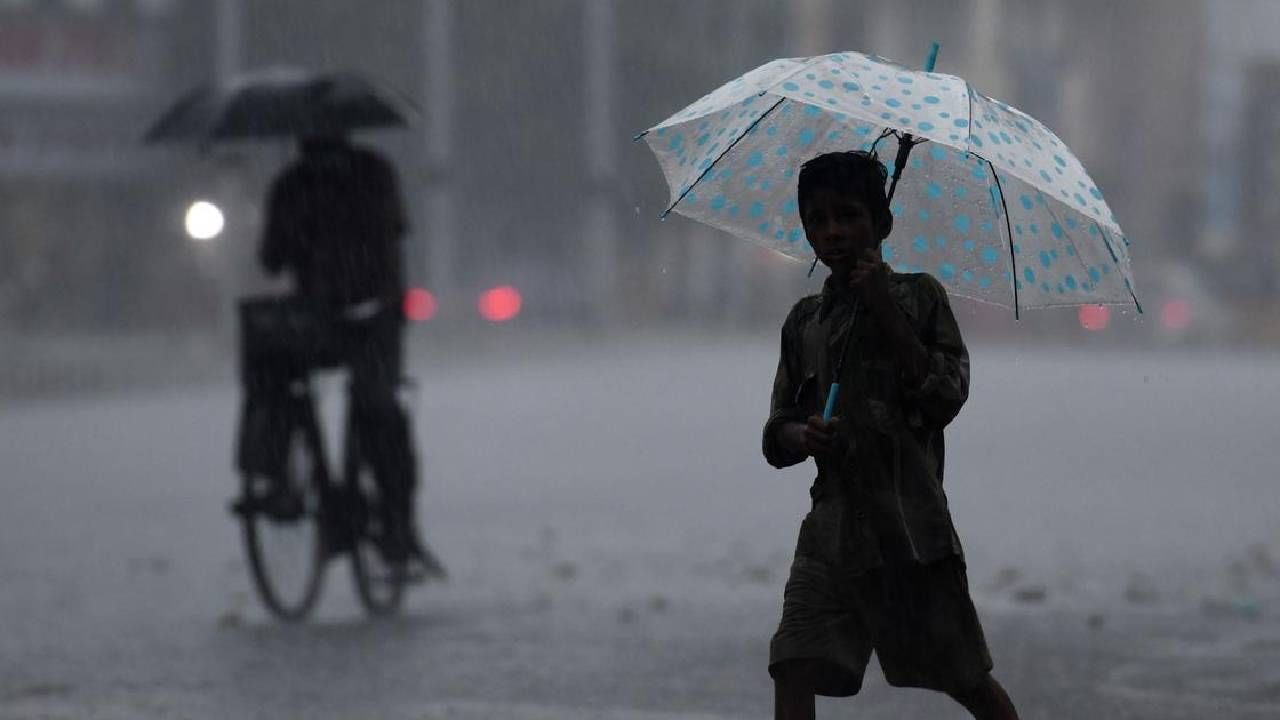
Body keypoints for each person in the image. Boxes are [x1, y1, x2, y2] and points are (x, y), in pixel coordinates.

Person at [763, 151, 1019, 719]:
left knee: (964, 676)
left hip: (908, 529)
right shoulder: (805, 322)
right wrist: (803, 436)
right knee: (794, 661)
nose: (833, 232)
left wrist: (884, 310)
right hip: (830, 530)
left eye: (848, 215)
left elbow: (944, 393)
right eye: (818, 220)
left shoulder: (920, 298)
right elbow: (777, 428)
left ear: (881, 223)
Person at [252, 133, 441, 577]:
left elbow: (271, 259)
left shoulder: (291, 184)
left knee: (285, 386)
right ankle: (396, 524)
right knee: (380, 410)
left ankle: (283, 480)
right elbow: (393, 240)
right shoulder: (374, 173)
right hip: (371, 316)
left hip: (322, 320)